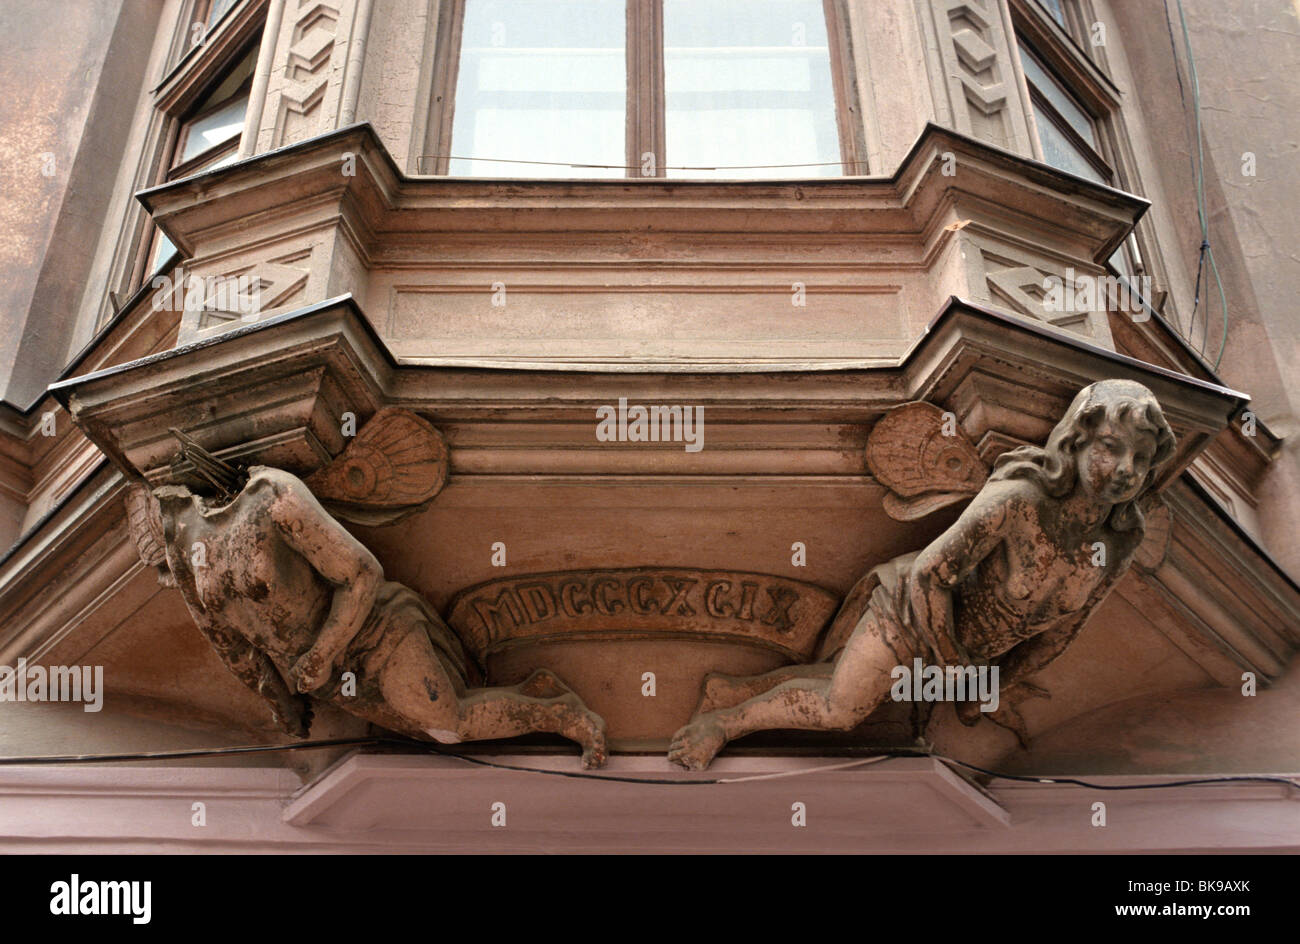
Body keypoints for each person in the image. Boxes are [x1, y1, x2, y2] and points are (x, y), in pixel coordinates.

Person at [668, 379, 1176, 770]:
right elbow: (930, 576)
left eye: (1142, 457)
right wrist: (953, 664)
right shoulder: (1022, 499)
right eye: (1112, 446)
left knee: (842, 683)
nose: (1127, 467)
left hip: (967, 652)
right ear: (1075, 441)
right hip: (913, 611)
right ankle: (723, 723)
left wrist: (995, 683)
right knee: (841, 709)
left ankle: (730, 690)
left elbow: (1065, 629)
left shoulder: (1118, 542)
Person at [150, 465, 608, 768]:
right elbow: (228, 641)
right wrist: (279, 698)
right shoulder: (180, 536)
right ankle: (532, 693)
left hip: (371, 632)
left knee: (449, 724)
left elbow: (360, 572)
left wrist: (324, 650)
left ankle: (562, 715)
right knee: (433, 733)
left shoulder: (272, 496)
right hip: (325, 676)